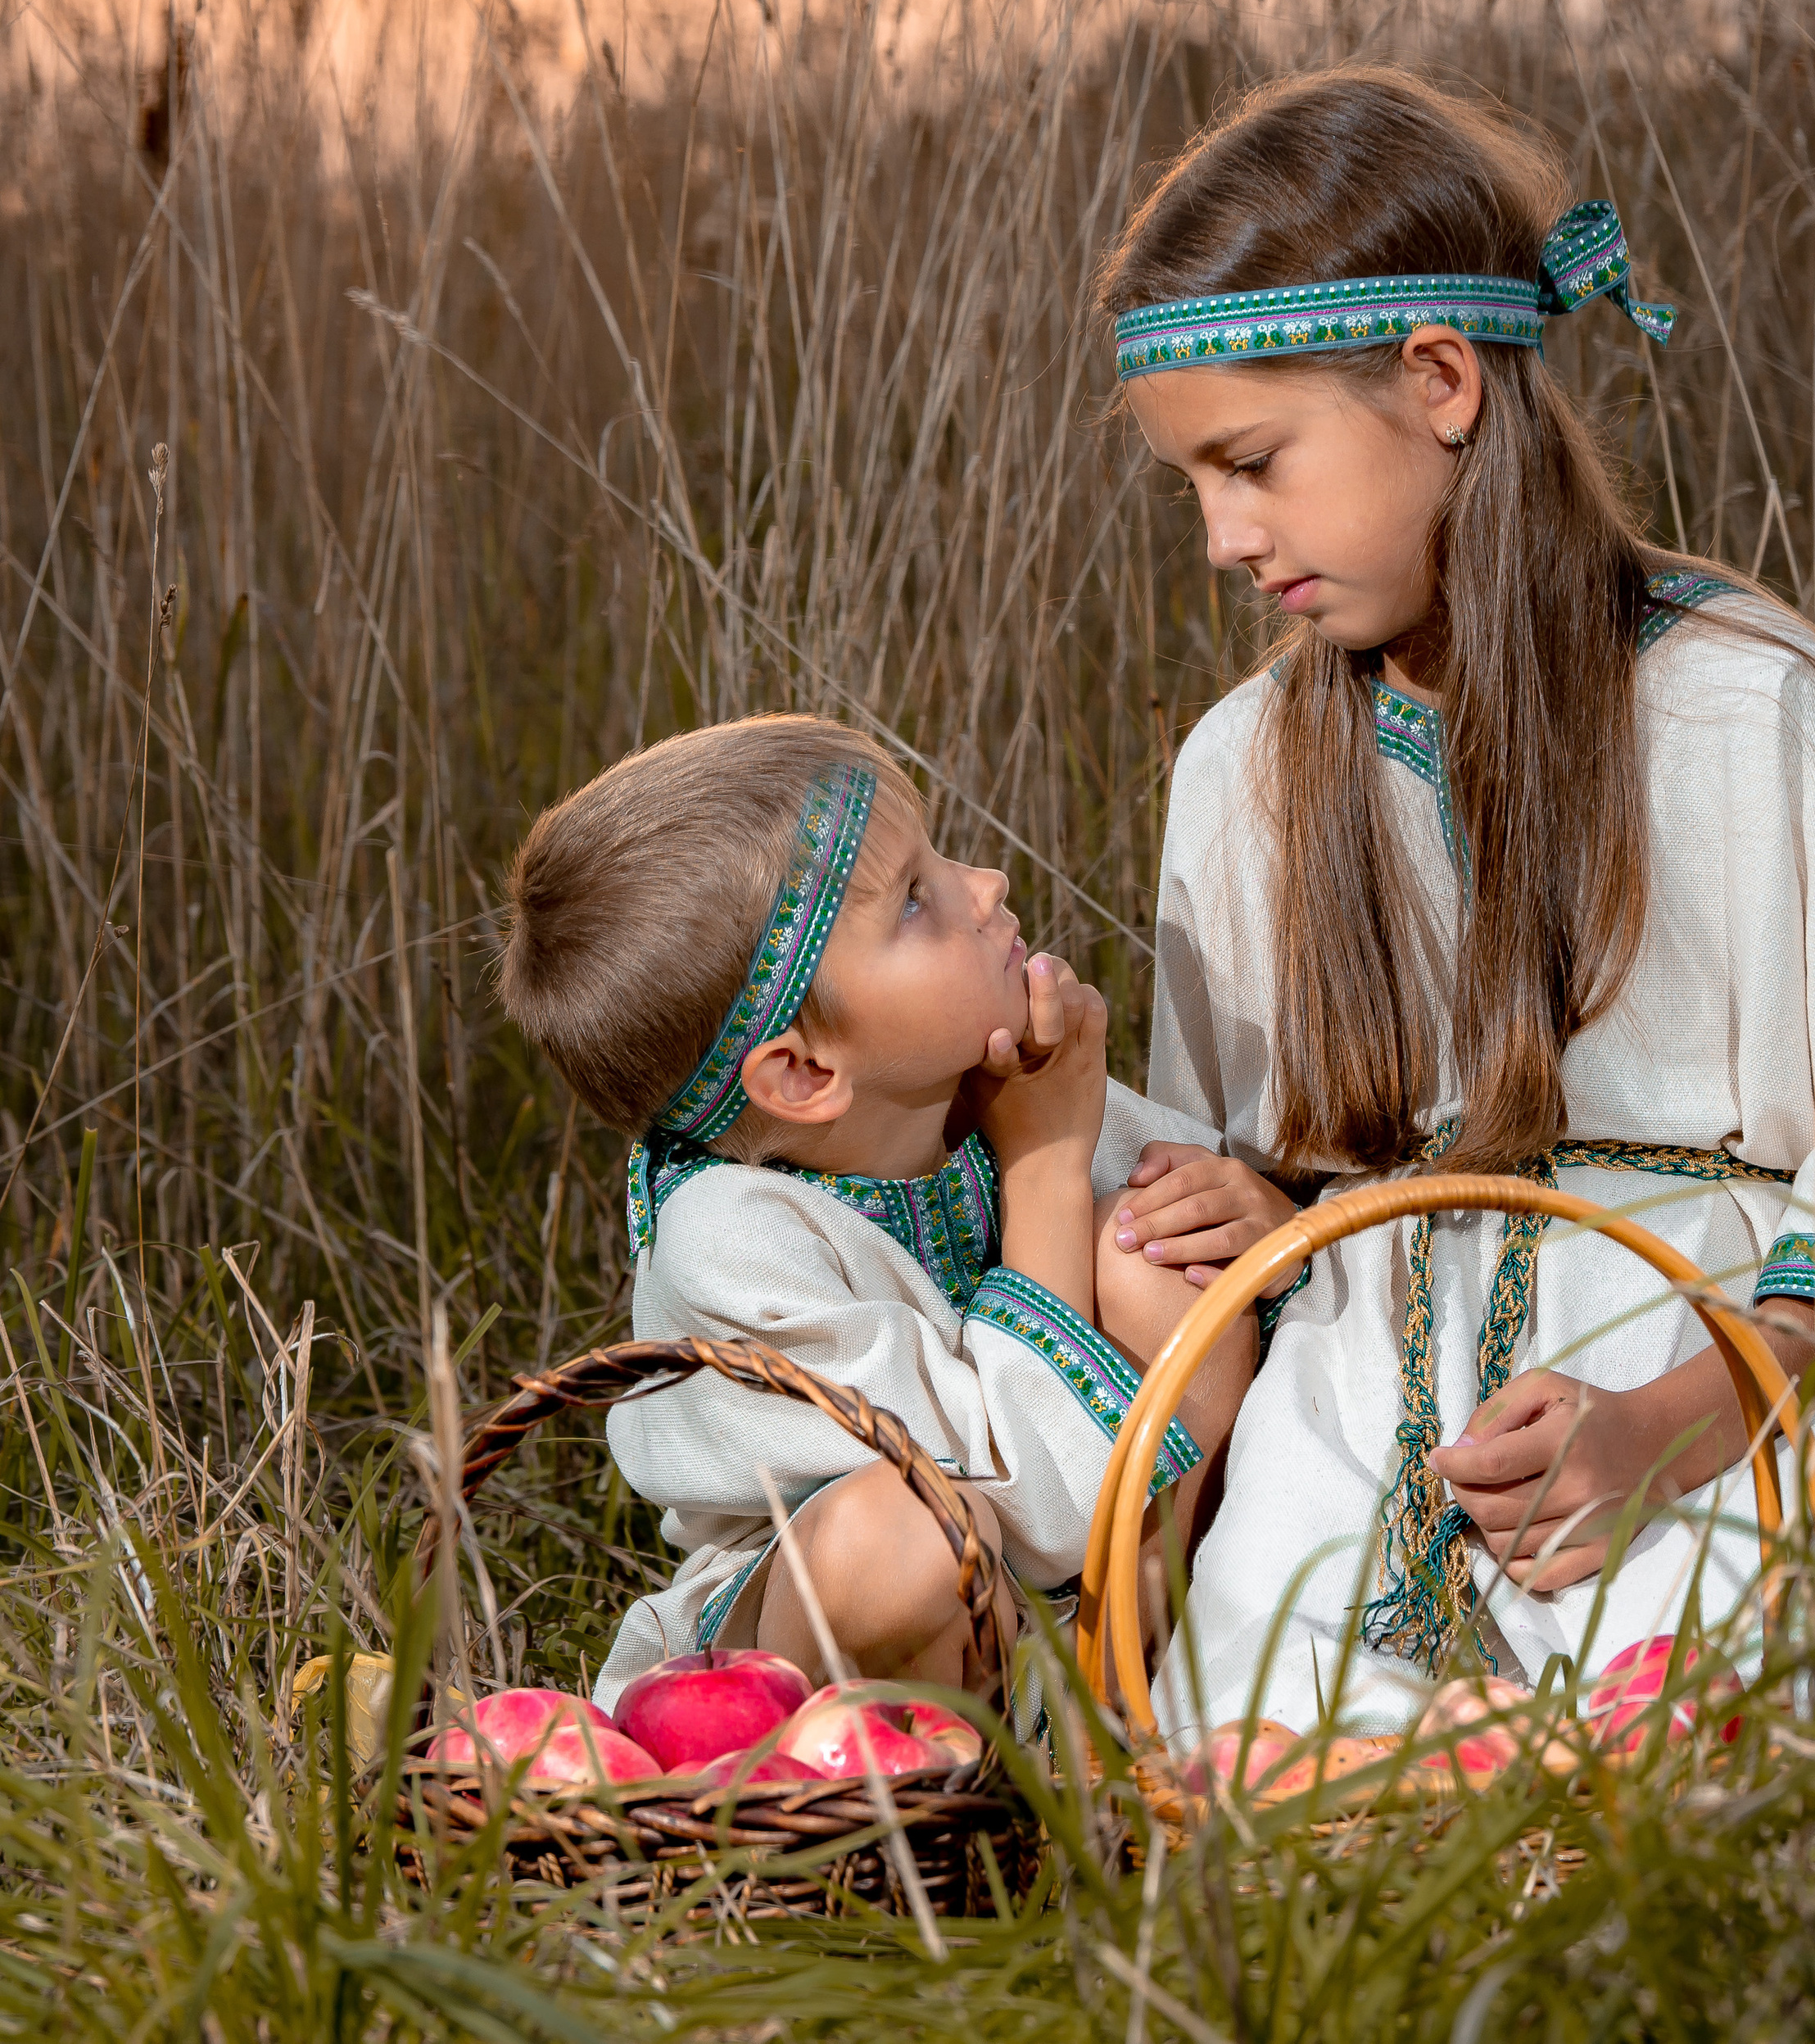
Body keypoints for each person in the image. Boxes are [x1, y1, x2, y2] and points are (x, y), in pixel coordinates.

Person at [1098, 66, 1815, 1734]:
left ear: (1438, 379)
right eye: (1192, 483)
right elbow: (1267, 1177)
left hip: (1724, 1392)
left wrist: (1652, 1430)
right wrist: (1261, 1205)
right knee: (1257, 1767)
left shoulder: (1750, 714)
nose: (1225, 537)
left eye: (1251, 461)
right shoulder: (1240, 776)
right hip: (1363, 1386)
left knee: (1717, 1740)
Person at [496, 714, 1279, 1701]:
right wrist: (1043, 1162)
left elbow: (1233, 1241)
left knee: (1159, 1241)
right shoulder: (728, 1239)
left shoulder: (996, 1088)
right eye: (917, 900)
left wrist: (1257, 1222)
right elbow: (1011, 1500)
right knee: (895, 1533)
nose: (986, 886)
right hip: (860, 1662)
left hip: (1081, 1623)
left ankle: (1141, 1700)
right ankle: (852, 1810)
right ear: (804, 1071)